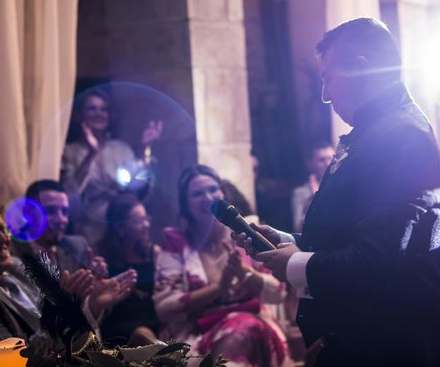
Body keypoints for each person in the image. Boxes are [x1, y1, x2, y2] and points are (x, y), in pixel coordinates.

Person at [237, 18, 440, 366]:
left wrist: (294, 264)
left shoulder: (403, 136)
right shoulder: (380, 127)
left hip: (393, 345)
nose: (324, 94)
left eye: (328, 78)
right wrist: (286, 240)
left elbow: (378, 259)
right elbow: (352, 231)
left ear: (360, 70)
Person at [0, 201, 136, 367]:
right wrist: (64, 310)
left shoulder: (17, 267)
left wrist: (91, 305)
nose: (3, 238)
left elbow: (56, 330)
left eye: (3, 229)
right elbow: (13, 362)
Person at [153, 165, 287, 366]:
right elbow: (164, 307)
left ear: (223, 194)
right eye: (197, 194)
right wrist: (218, 288)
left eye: (213, 189)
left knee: (244, 325)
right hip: (196, 336)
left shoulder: (244, 234)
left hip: (254, 329)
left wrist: (245, 273)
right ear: (186, 203)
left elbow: (279, 292)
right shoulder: (177, 244)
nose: (208, 198)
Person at [61, 89, 163, 246]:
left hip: (124, 230)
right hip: (91, 229)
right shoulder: (70, 151)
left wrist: (145, 150)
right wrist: (91, 154)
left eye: (103, 109)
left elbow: (138, 189)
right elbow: (71, 193)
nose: (98, 113)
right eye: (92, 108)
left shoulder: (121, 148)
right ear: (80, 114)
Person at [98, 193, 160, 346]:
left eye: (147, 218)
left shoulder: (154, 254)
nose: (146, 225)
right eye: (138, 221)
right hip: (116, 333)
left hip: (152, 328)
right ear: (120, 227)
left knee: (145, 335)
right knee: (141, 336)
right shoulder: (103, 259)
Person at [12, 180, 108, 276]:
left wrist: (94, 277)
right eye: (50, 211)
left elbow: (89, 285)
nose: (61, 219)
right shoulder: (10, 251)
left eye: (64, 212)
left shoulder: (77, 248)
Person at [290, 141, 335, 232]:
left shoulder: (341, 187)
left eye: (331, 158)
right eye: (321, 160)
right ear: (310, 164)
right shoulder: (300, 193)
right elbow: (297, 229)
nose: (327, 164)